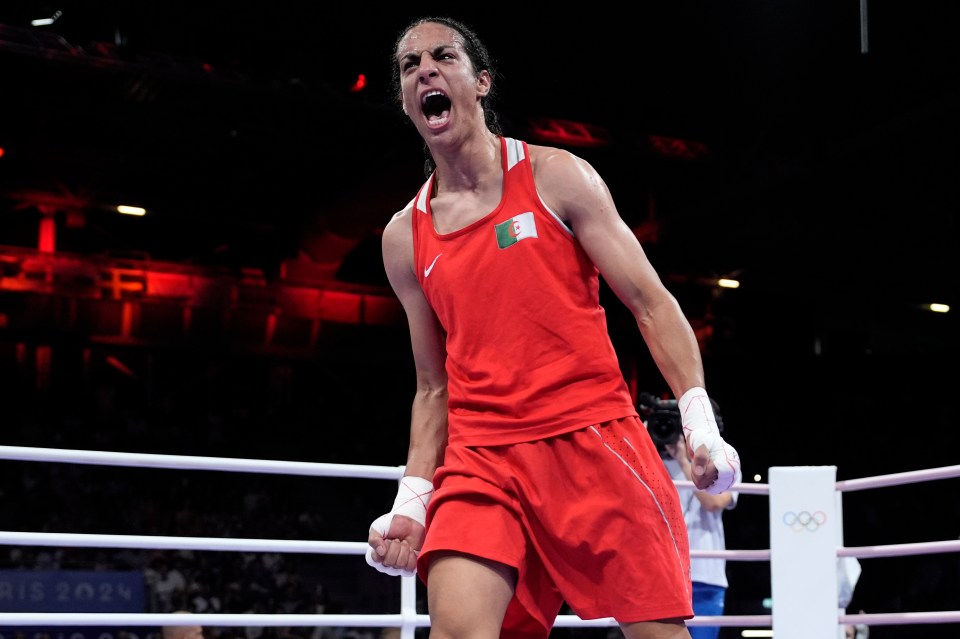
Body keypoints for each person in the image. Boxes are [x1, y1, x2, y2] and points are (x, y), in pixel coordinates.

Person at [365, 15, 742, 639]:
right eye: (410, 66)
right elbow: (433, 386)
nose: (425, 69)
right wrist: (413, 498)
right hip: (482, 457)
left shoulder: (555, 177)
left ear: (481, 81)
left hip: (592, 437)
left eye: (443, 57)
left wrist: (699, 425)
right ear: (406, 99)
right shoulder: (404, 238)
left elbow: (650, 302)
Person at [663, 432, 738, 639]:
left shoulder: (726, 462)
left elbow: (714, 503)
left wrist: (684, 462)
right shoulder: (651, 461)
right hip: (664, 572)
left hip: (705, 573)